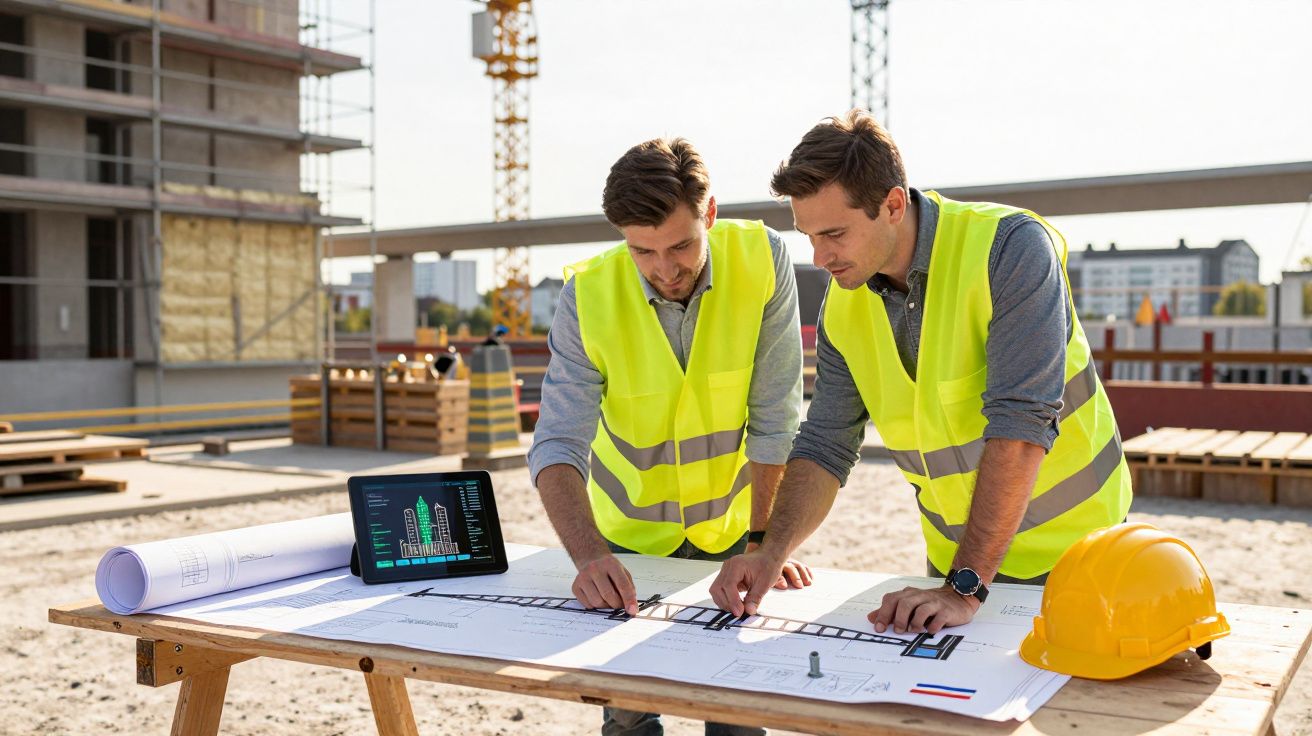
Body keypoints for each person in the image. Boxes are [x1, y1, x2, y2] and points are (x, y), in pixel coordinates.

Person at [710, 110, 1132, 638]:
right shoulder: (844, 307)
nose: (820, 257)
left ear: (892, 204)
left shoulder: (1009, 249)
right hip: (957, 563)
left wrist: (965, 587)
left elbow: (1022, 426)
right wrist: (770, 551)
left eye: (835, 233)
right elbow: (824, 445)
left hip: (1079, 557)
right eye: (809, 236)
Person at [529, 137, 809, 736]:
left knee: (736, 718)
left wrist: (765, 542)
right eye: (643, 250)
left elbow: (775, 420)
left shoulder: (763, 259)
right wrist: (588, 555)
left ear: (710, 213)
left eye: (681, 244)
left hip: (733, 533)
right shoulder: (588, 296)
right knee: (627, 722)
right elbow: (557, 444)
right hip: (625, 546)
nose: (665, 268)